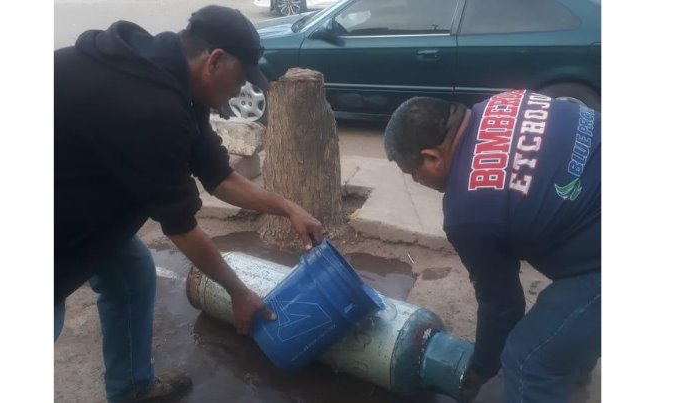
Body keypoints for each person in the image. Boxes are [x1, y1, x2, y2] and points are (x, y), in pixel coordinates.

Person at [54, 6, 323, 402]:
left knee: (131, 272)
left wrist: (287, 208)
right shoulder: (152, 107)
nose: (240, 92)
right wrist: (239, 292)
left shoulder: (177, 81)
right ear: (215, 60)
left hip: (78, 193)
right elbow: (181, 227)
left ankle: (131, 389)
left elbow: (220, 177)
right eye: (241, 78)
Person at [383, 91, 600, 403]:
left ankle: (553, 373)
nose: (417, 182)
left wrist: (480, 369)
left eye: (413, 173)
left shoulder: (468, 211)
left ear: (432, 156)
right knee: (561, 332)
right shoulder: (500, 103)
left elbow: (503, 307)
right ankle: (571, 375)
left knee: (527, 360)